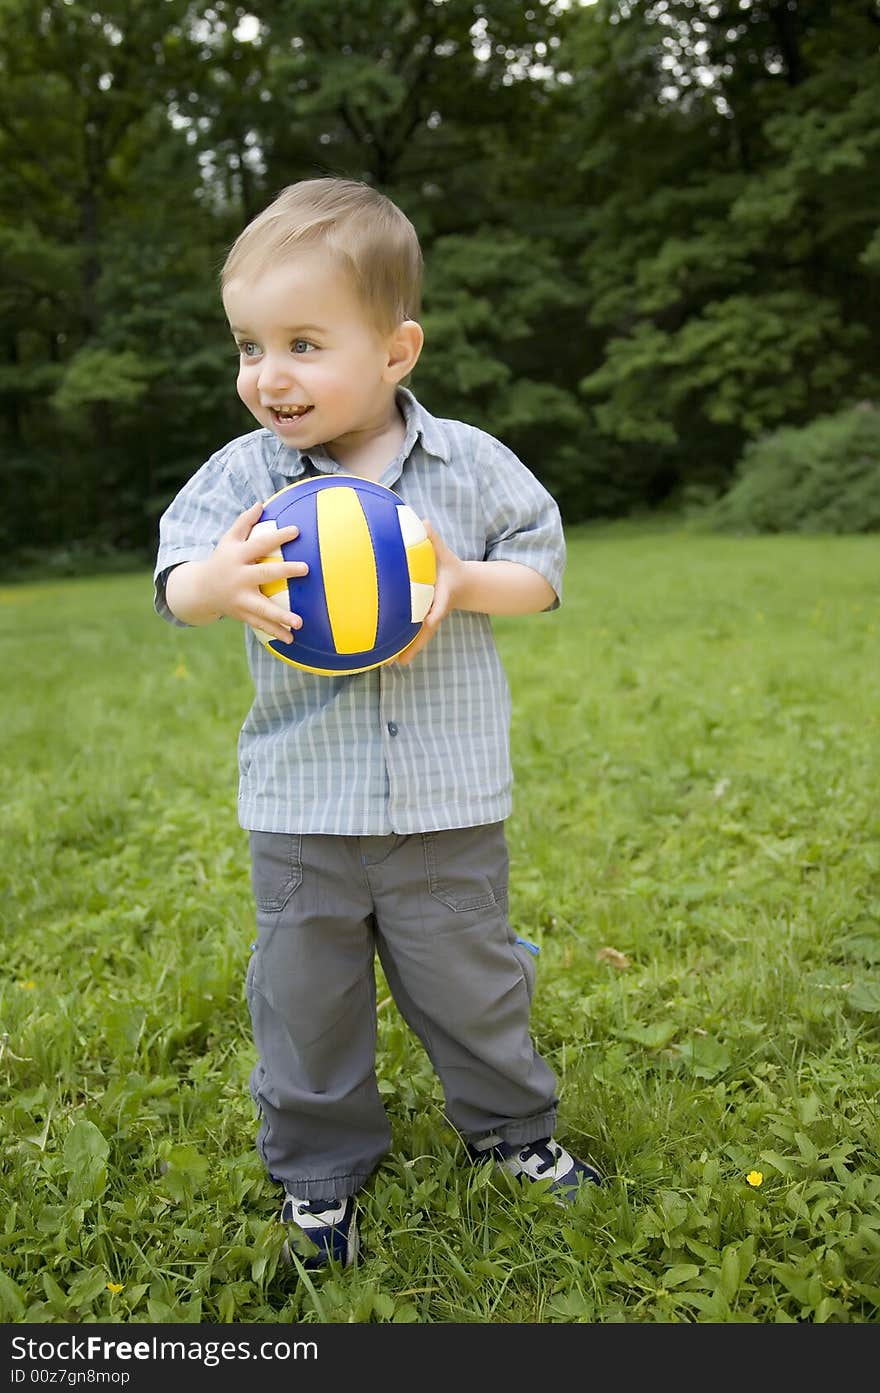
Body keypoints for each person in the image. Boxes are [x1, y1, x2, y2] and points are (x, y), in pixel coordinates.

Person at [153, 177, 601, 1270]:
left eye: (304, 342)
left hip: (446, 800)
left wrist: (458, 581)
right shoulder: (246, 481)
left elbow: (539, 572)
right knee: (304, 1003)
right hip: (303, 803)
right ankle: (318, 1170)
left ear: (396, 352)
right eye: (250, 346)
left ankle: (510, 1131)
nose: (269, 374)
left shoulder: (468, 466)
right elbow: (175, 581)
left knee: (474, 983)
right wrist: (219, 581)